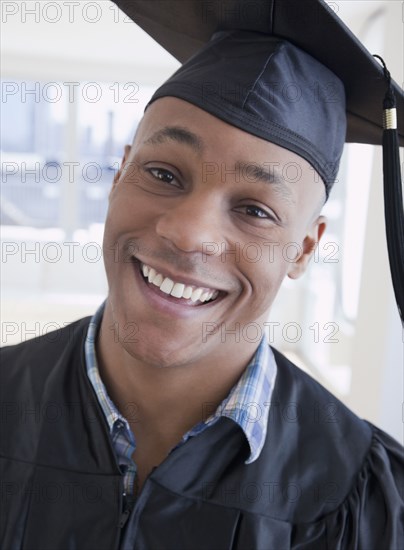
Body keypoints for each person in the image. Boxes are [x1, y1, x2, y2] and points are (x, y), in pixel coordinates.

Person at [1, 1, 403, 548]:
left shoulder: (363, 497)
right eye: (163, 173)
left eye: (255, 210)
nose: (189, 233)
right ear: (120, 175)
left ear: (304, 250)